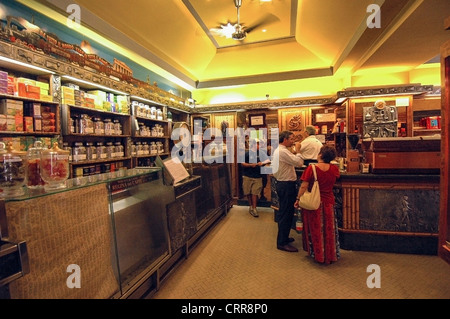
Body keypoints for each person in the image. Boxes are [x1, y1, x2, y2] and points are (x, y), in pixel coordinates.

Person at [294, 145, 340, 264]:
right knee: (329, 229)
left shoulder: (312, 169)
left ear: (320, 155)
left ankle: (318, 254)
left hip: (315, 203)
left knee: (316, 229)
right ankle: (330, 254)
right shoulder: (334, 169)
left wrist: (298, 198)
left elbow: (304, 186)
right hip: (329, 201)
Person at [272, 131, 304, 252]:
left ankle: (284, 237)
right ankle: (282, 242)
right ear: (284, 139)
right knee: (286, 213)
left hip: (282, 183)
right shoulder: (283, 151)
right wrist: (299, 150)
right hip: (286, 185)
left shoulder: (279, 150)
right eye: (291, 139)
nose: (293, 141)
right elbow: (299, 163)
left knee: (284, 212)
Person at [241, 138, 264, 217]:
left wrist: (262, 163)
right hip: (247, 176)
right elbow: (242, 163)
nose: (260, 146)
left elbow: (267, 161)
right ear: (254, 145)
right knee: (248, 192)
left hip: (258, 176)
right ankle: (250, 206)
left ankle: (254, 208)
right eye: (258, 144)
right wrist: (251, 165)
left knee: (255, 192)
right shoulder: (247, 153)